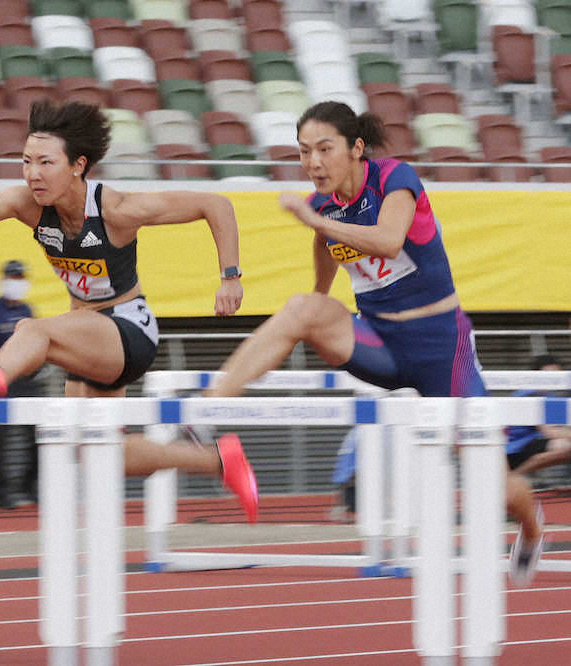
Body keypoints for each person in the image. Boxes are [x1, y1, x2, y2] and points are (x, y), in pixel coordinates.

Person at [199, 100, 545, 582]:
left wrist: (316, 223)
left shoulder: (393, 179)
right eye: (303, 153)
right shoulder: (322, 207)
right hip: (380, 341)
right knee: (301, 306)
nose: (313, 163)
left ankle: (530, 527)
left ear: (356, 148)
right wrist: (315, 306)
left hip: (440, 349)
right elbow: (324, 249)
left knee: (490, 479)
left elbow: (386, 241)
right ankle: (210, 410)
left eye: (324, 149)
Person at [0, 100, 258, 522]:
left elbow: (216, 205)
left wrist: (230, 277)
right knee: (96, 450)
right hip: (88, 338)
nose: (33, 173)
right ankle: (220, 461)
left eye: (45, 163)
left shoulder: (117, 209)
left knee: (34, 331)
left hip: (128, 329)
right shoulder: (25, 203)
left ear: (77, 165)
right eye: (26, 161)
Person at [0, 259, 41, 508]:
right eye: (11, 278)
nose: (15, 283)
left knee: (37, 436)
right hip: (0, 383)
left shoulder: (27, 311)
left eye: (19, 278)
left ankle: (30, 485)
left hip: (27, 381)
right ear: (3, 280)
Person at [505, 354, 569, 585]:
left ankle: (518, 491)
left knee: (564, 446)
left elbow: (555, 431)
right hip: (507, 451)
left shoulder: (548, 396)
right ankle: (515, 480)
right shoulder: (530, 394)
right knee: (563, 446)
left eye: (556, 375)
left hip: (525, 447)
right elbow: (553, 432)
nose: (552, 380)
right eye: (547, 375)